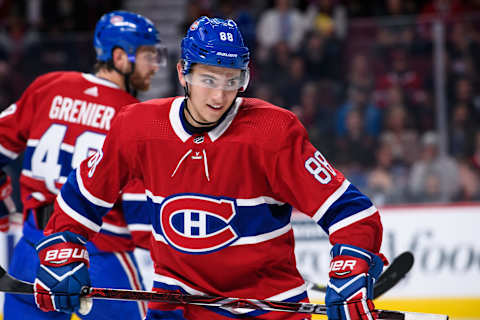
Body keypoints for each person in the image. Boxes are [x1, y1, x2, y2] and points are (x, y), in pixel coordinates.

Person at [34, 16, 387, 320]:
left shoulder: (272, 132)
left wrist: (350, 265)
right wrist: (62, 245)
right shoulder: (138, 127)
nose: (220, 97)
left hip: (267, 307)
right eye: (208, 79)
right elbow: (84, 193)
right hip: (177, 303)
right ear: (182, 73)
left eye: (231, 81)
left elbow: (351, 212)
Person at [0, 10, 166, 320]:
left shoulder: (49, 87)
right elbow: (144, 221)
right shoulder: (135, 116)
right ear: (119, 57)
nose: (155, 65)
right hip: (100, 254)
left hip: (33, 246)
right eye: (148, 55)